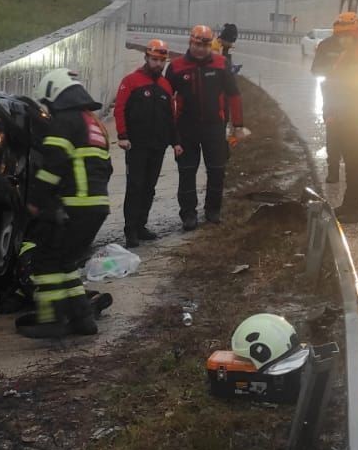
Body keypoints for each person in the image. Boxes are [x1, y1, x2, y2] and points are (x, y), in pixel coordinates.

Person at [15, 67, 113, 339]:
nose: (47, 109)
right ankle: (83, 320)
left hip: (75, 205)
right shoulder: (94, 123)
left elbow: (52, 167)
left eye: (47, 104)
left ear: (54, 93)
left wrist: (35, 201)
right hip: (97, 206)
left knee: (46, 262)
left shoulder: (65, 122)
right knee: (66, 262)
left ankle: (51, 319)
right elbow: (107, 168)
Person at [167, 24, 248, 230]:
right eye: (196, 44)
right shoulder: (176, 67)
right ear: (190, 42)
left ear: (210, 44)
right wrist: (170, 130)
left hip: (214, 127)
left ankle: (213, 211)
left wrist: (237, 125)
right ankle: (188, 214)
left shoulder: (221, 64)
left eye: (204, 45)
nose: (200, 49)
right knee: (186, 172)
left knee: (217, 170)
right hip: (186, 128)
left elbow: (234, 95)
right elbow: (166, 98)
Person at [310, 12, 358, 223]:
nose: (342, 40)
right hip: (342, 114)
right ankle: (349, 204)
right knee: (349, 161)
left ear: (356, 34)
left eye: (347, 35)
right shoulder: (346, 54)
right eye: (340, 36)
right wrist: (331, 112)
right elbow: (333, 85)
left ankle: (356, 209)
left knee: (354, 163)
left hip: (357, 116)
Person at [114, 39, 181, 248]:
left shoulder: (165, 86)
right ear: (146, 58)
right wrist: (123, 136)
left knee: (149, 187)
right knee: (135, 186)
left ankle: (141, 225)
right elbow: (120, 109)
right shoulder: (131, 81)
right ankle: (130, 230)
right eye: (154, 60)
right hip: (136, 145)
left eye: (162, 61)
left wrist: (175, 142)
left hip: (157, 146)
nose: (158, 64)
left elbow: (171, 116)